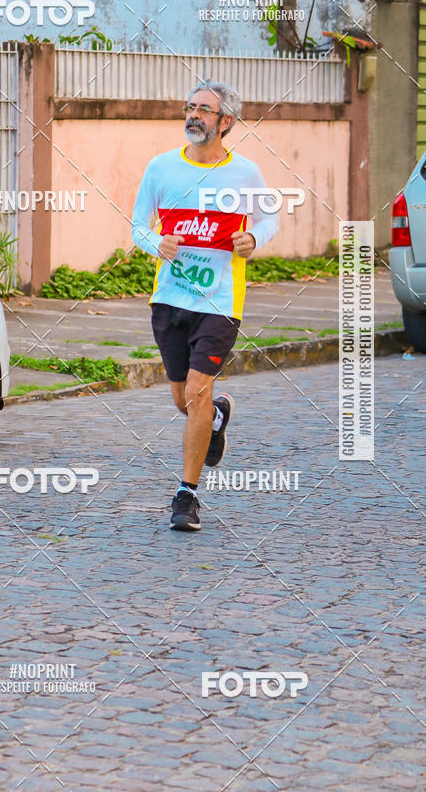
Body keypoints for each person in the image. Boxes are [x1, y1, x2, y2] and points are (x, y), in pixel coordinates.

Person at [131, 80, 280, 531]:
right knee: (183, 399)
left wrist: (254, 237)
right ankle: (216, 418)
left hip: (219, 301)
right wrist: (157, 242)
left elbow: (269, 215)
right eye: (191, 107)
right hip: (170, 300)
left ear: (226, 121)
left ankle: (186, 496)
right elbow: (138, 225)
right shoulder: (161, 169)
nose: (194, 115)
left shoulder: (245, 173)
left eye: (205, 110)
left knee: (196, 390)